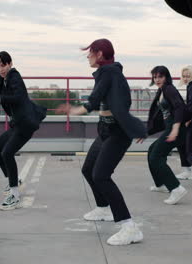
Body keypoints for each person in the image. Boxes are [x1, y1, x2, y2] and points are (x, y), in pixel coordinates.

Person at [56, 39, 145, 246]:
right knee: (88, 169)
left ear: (100, 54)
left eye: (90, 53)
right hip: (106, 130)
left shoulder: (109, 72)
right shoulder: (111, 72)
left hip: (117, 133)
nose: (87, 56)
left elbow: (95, 100)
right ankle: (103, 208)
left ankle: (129, 227)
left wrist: (75, 110)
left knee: (101, 176)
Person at [0, 51, 47, 210]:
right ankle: (15, 181)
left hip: (26, 123)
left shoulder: (15, 76)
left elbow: (17, 98)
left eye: (3, 65)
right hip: (16, 123)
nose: (1, 69)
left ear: (10, 63)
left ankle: (14, 195)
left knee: (7, 153)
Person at [142, 65, 188, 205]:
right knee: (152, 152)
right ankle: (160, 184)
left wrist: (175, 129)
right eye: (155, 77)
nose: (157, 79)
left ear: (166, 77)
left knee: (156, 157)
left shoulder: (169, 89)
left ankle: (176, 188)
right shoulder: (161, 91)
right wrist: (145, 133)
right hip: (171, 128)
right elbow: (157, 117)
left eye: (160, 77)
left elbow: (180, 107)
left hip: (176, 129)